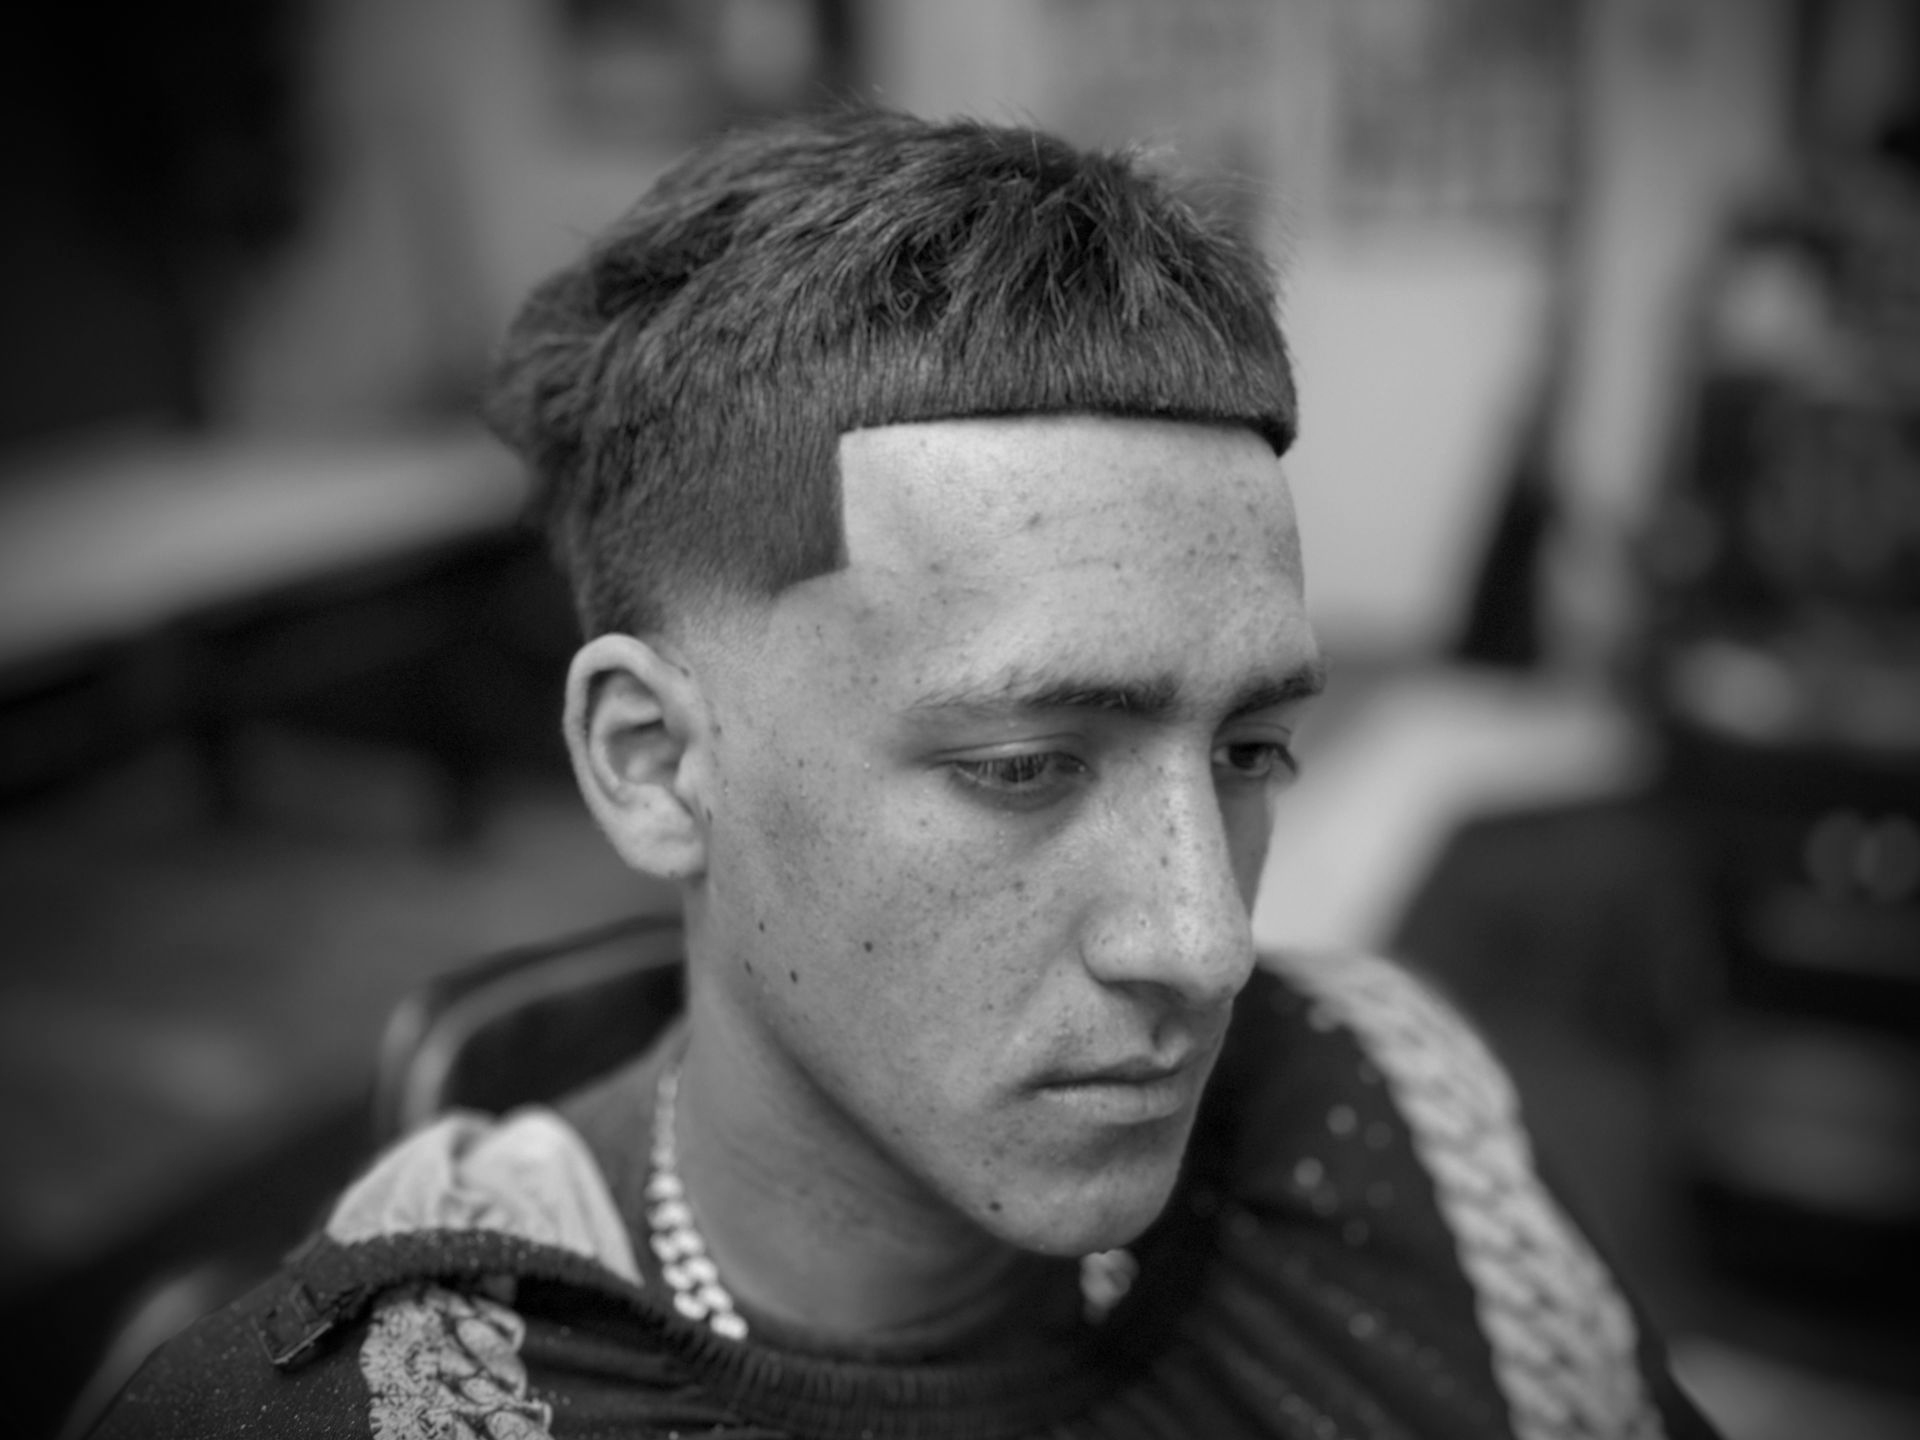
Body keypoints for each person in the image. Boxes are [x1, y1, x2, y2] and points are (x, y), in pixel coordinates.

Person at [95, 108, 1717, 1439]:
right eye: (1024, 764)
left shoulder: (1386, 1115)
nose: (1206, 940)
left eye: (1249, 748)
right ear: (655, 764)